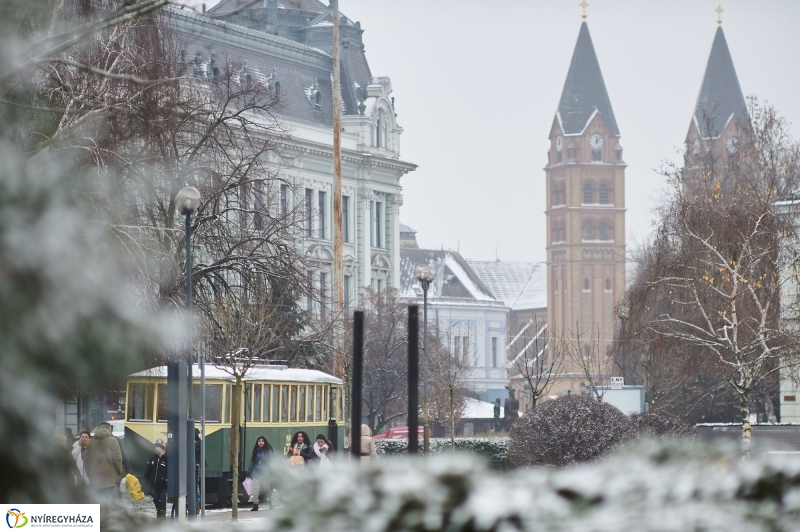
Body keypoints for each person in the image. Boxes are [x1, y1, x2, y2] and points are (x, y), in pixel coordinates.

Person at [83, 422, 124, 501]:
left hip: (95, 478)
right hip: (110, 478)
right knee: (110, 501)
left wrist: (89, 474)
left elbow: (86, 460)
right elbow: (117, 459)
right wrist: (119, 473)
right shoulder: (113, 440)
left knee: (98, 500)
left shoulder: (91, 442)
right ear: (109, 429)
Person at [245, 436, 273, 511]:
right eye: (259, 441)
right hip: (256, 472)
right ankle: (255, 505)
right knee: (255, 489)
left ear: (265, 442)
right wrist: (248, 472)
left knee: (267, 488)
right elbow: (252, 462)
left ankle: (271, 503)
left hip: (265, 472)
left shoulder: (268, 450)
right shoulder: (256, 451)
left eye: (262, 441)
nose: (261, 443)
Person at [143, 440, 168, 519]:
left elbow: (171, 471)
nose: (156, 448)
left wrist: (167, 479)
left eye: (157, 447)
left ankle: (162, 516)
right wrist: (144, 484)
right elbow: (147, 472)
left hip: (163, 485)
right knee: (156, 499)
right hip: (154, 485)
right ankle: (159, 511)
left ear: (162, 448)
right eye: (155, 447)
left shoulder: (167, 459)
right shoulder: (153, 459)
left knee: (162, 501)